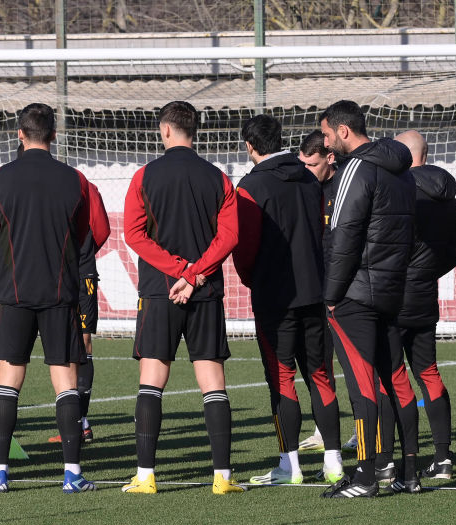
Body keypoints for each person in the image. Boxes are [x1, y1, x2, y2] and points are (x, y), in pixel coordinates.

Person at [0, 103, 108, 493]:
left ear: (19, 134)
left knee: (8, 381)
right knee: (65, 381)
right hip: (59, 294)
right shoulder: (76, 180)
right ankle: (72, 474)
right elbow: (94, 234)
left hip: (14, 294)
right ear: (54, 135)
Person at [121, 100, 241, 495]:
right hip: (204, 291)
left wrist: (178, 271)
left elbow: (135, 235)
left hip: (160, 291)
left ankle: (145, 475)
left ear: (166, 130)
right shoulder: (219, 178)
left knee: (152, 379)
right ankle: (222, 477)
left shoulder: (144, 176)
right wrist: (195, 274)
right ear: (195, 131)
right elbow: (229, 237)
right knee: (213, 380)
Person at [232, 115, 342, 486]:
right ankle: (334, 461)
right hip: (315, 290)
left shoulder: (251, 186)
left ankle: (289, 464)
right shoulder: (310, 179)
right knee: (320, 375)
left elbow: (244, 247)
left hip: (274, 296)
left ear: (250, 146)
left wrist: (253, 279)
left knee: (281, 378)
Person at [319, 100, 418, 497]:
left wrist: (330, 295)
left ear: (344, 131)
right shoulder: (403, 172)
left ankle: (364, 475)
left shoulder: (355, 169)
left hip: (356, 293)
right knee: (395, 379)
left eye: (327, 134)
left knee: (363, 386)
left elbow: (343, 238)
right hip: (392, 289)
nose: (326, 144)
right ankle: (407, 473)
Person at [382, 130, 456, 480]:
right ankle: (443, 458)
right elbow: (454, 253)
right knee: (428, 372)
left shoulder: (398, 189)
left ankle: (391, 459)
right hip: (426, 294)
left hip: (393, 295)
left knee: (390, 377)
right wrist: (425, 274)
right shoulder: (448, 196)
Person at [49, 178, 109, 444]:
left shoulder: (83, 185)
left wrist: (84, 252)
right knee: (63, 344)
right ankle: (75, 420)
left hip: (78, 272)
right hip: (54, 273)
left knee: (82, 342)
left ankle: (81, 421)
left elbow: (102, 228)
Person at [296, 130, 343, 452]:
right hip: (316, 291)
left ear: (330, 158)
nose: (306, 170)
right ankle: (323, 430)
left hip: (346, 290)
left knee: (360, 366)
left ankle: (371, 427)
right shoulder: (305, 190)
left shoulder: (346, 187)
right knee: (319, 363)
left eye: (311, 164)